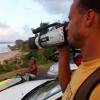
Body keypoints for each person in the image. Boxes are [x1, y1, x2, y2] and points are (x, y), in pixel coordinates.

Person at [58, 0, 100, 99]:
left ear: (88, 17)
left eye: (70, 19)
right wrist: (63, 50)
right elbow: (69, 91)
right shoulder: (87, 66)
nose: (67, 27)